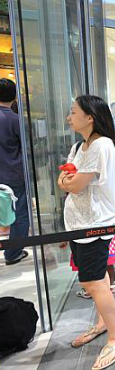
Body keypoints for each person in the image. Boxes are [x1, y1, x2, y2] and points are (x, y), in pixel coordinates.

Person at [59, 95, 115, 369]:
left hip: (94, 225)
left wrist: (69, 180)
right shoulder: (80, 146)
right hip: (79, 224)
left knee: (95, 283)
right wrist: (69, 180)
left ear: (90, 117)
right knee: (93, 280)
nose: (68, 117)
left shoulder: (101, 145)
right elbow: (65, 179)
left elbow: (73, 184)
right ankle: (103, 323)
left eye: (73, 112)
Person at [0, 78, 29, 265]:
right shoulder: (16, 120)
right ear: (15, 96)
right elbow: (26, 149)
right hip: (14, 175)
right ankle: (13, 253)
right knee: (19, 214)